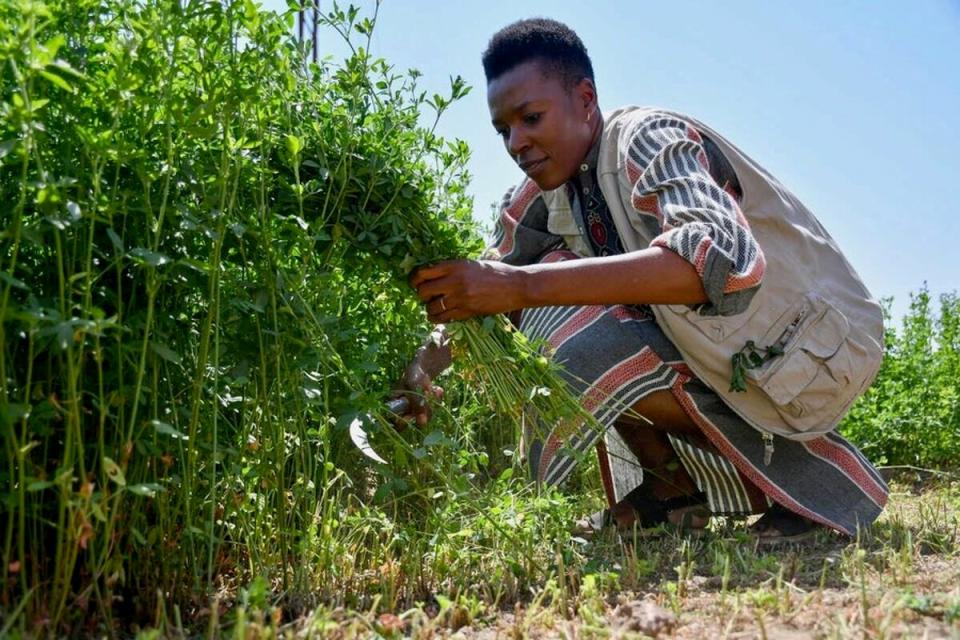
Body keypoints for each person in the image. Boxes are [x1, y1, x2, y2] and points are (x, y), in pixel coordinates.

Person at [403, 18, 888, 543]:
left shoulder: (647, 140)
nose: (517, 142)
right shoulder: (544, 192)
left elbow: (721, 262)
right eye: (504, 130)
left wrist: (522, 286)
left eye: (531, 118)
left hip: (809, 352)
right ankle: (670, 493)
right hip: (728, 357)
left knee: (563, 309)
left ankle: (836, 490)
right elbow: (485, 286)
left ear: (585, 99)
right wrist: (424, 365)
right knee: (549, 293)